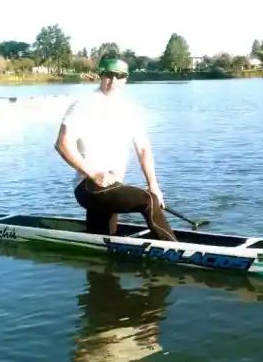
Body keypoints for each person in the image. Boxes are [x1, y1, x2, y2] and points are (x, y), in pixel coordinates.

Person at [54, 57, 178, 241]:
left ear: (125, 79)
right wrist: (93, 174)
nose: (113, 81)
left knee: (103, 243)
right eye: (108, 75)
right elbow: (62, 144)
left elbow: (143, 148)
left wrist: (154, 185)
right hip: (89, 186)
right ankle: (177, 251)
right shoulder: (83, 105)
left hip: (113, 186)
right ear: (100, 75)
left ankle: (98, 261)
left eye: (119, 76)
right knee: (148, 201)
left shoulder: (129, 109)